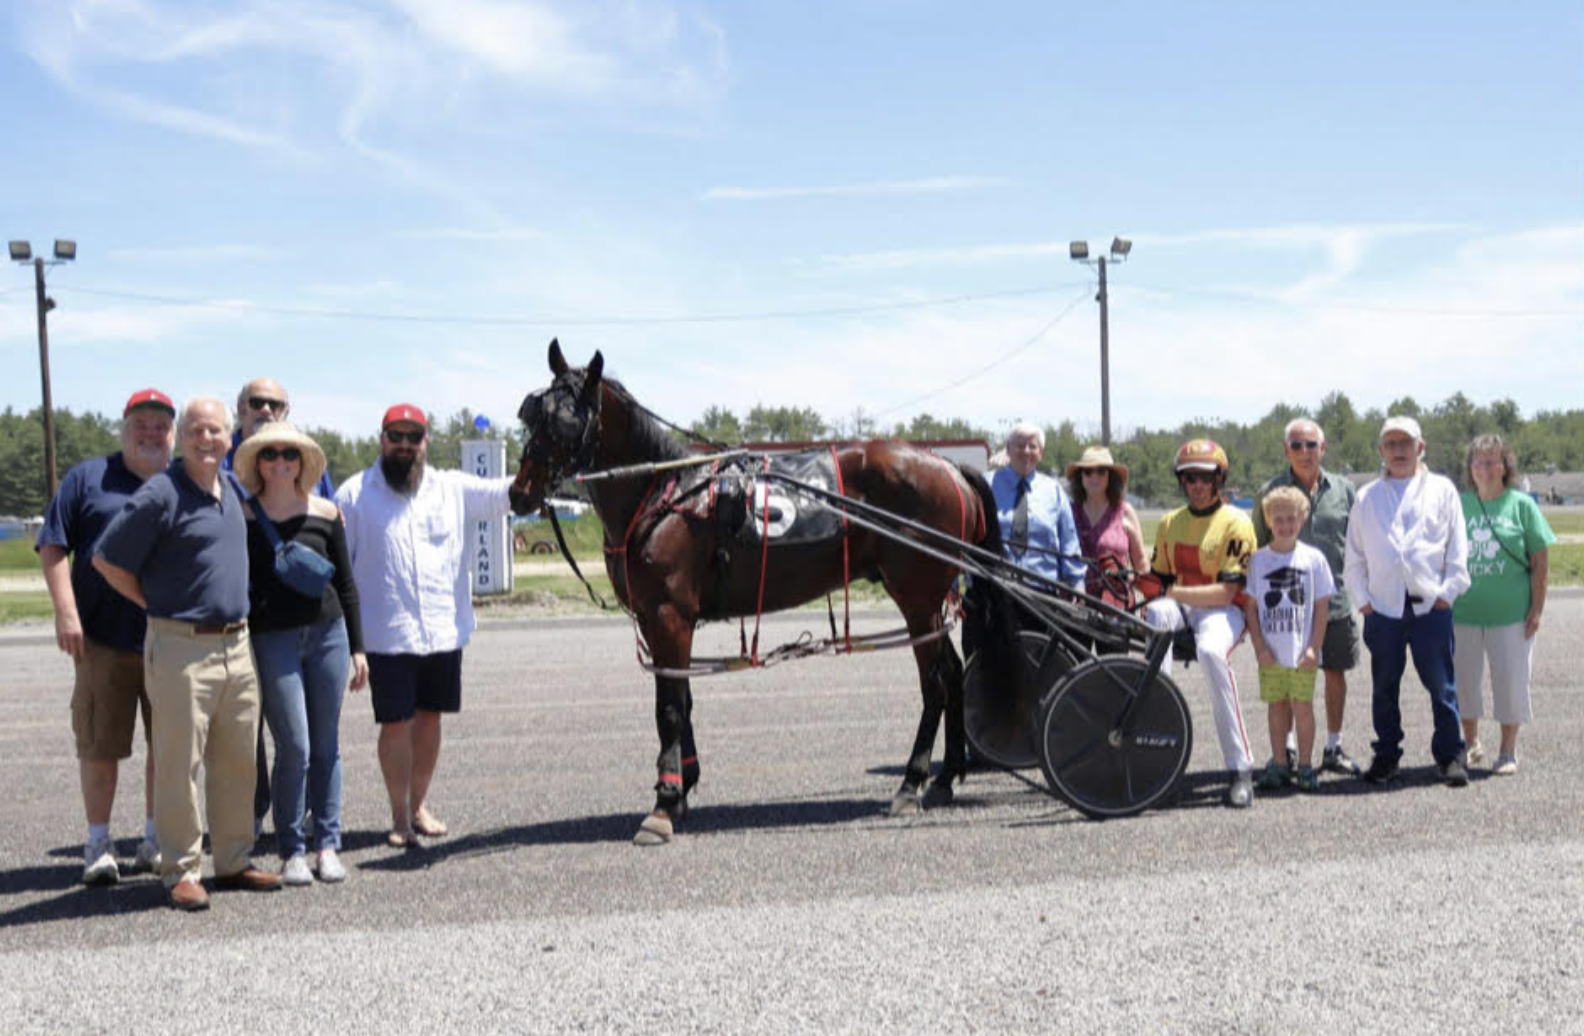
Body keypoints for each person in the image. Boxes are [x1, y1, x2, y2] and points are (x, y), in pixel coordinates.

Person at [93, 397, 283, 910]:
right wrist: (154, 604)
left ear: (229, 437)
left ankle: (233, 859)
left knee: (238, 761)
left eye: (215, 430)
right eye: (197, 430)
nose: (206, 439)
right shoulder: (162, 492)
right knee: (179, 765)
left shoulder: (232, 489)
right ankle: (180, 869)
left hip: (236, 645)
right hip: (181, 646)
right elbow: (106, 560)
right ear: (183, 436)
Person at [336, 403, 515, 847]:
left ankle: (419, 805)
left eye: (413, 437)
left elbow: (505, 494)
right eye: (395, 436)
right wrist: (350, 641)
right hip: (386, 633)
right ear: (382, 439)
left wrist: (545, 469)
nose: (404, 445)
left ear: (425, 442)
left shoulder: (452, 488)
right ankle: (398, 815)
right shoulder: (354, 495)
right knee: (396, 723)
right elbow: (340, 570)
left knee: (430, 719)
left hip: (442, 630)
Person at [35, 388, 175, 884]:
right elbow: (53, 544)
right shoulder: (88, 478)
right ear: (124, 427)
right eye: (141, 423)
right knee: (99, 746)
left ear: (173, 434)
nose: (150, 433)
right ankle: (98, 843)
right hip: (100, 639)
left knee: (169, 747)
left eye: (161, 425)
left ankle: (155, 840)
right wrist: (65, 612)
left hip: (170, 639)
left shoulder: (185, 481)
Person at [236, 423, 368, 884]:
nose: (280, 462)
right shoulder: (244, 516)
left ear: (302, 462)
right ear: (257, 462)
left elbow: (346, 585)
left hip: (328, 634)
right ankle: (291, 849)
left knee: (327, 745)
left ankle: (327, 844)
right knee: (294, 746)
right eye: (270, 454)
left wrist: (359, 648)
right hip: (272, 639)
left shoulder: (327, 512)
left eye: (289, 454)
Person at [222, 376, 335, 838]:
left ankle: (305, 811)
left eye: (276, 404)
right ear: (240, 408)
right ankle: (253, 809)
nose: (266, 410)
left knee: (301, 727)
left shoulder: (303, 456)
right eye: (257, 402)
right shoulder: (216, 458)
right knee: (245, 723)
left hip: (296, 618)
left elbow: (327, 528)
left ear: (287, 412)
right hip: (235, 617)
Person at [1344, 416, 1471, 787]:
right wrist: (1364, 601)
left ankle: (1450, 755)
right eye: (1391, 444)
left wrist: (1447, 593)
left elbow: (1457, 548)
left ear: (1420, 447)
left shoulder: (1442, 490)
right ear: (1381, 450)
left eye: (1405, 443)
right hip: (1383, 609)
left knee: (1442, 686)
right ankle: (1386, 755)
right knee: (1384, 687)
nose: (1398, 450)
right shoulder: (1367, 497)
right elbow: (1354, 557)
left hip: (1431, 607)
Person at [1140, 439, 1258, 808]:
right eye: (1189, 477)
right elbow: (1157, 583)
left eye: (1205, 477)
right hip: (1183, 606)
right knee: (1156, 615)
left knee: (1210, 652)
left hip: (1225, 611)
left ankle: (1240, 768)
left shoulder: (1237, 522)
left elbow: (1226, 592)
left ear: (1219, 479)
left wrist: (1170, 591)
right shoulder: (1169, 522)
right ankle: (1160, 749)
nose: (1197, 485)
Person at [1251, 418, 1362, 776]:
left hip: (1334, 600)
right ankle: (1286, 751)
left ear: (1323, 448)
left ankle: (1333, 746)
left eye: (1311, 444)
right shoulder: (1271, 492)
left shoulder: (1344, 490)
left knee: (1334, 673)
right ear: (1286, 450)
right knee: (1285, 680)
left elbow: (1358, 542)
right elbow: (1258, 545)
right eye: (1296, 445)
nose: (1304, 451)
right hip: (1286, 607)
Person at [1453, 433, 1554, 775]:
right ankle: (1471, 743)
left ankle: (1508, 750)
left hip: (1511, 614)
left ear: (1504, 466)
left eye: (1492, 461)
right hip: (1463, 612)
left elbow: (1540, 562)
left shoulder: (1522, 505)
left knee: (1511, 682)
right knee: (1464, 681)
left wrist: (1537, 609)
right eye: (1478, 461)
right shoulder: (1460, 505)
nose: (1484, 467)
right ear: (1470, 468)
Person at [1244, 487, 1334, 793]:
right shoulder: (1258, 561)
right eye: (1278, 519)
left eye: (1291, 518)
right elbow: (1251, 608)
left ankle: (1305, 765)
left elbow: (1322, 607)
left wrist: (1313, 648)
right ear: (1269, 521)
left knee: (1303, 707)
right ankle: (1279, 762)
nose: (1285, 525)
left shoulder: (1314, 559)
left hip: (1301, 652)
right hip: (1271, 653)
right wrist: (1259, 647)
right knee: (1276, 707)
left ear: (1302, 518)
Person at [988, 423, 1084, 590]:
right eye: (1019, 445)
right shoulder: (986, 486)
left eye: (1032, 446)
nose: (1026, 451)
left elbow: (1069, 544)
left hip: (1041, 594)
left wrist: (1077, 584)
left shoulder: (1054, 492)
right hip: (992, 589)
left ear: (1041, 453)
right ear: (1008, 449)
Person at [1064, 445, 1146, 607]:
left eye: (1101, 471)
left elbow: (1141, 563)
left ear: (1111, 476)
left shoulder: (1125, 512)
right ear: (1080, 476)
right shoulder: (1068, 512)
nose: (1094, 477)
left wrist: (1145, 599)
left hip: (1115, 603)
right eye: (1088, 471)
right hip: (1074, 602)